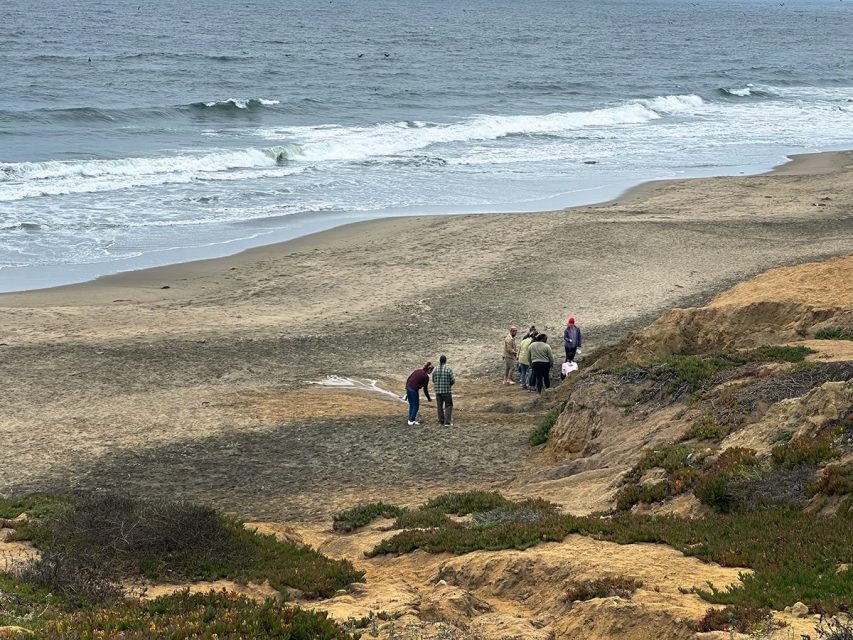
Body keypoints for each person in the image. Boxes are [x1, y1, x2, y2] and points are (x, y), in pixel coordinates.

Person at [432, 354, 456, 426]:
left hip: (438, 391)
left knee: (439, 406)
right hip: (446, 391)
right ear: (445, 361)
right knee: (448, 406)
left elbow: (433, 380)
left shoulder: (435, 369)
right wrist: (449, 384)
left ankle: (441, 420)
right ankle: (447, 422)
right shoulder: (448, 369)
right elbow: (453, 380)